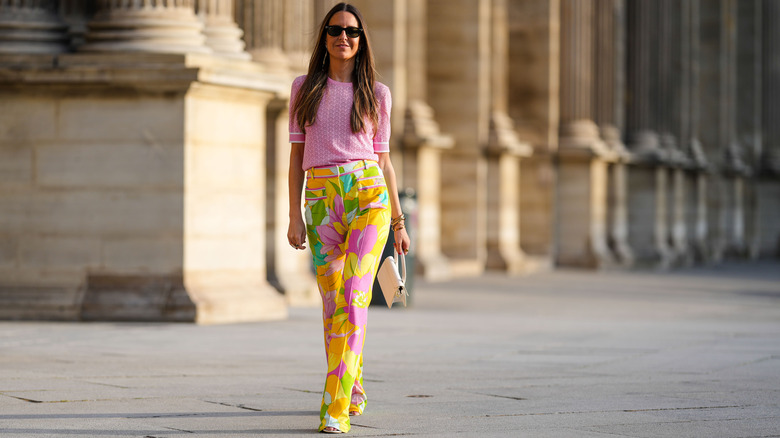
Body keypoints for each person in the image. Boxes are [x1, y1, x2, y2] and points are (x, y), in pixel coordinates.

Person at [287, 2, 411, 434]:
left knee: (356, 296)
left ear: (362, 41)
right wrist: (293, 215)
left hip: (368, 195)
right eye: (336, 30)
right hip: (320, 198)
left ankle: (335, 408)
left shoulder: (377, 93)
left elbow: (385, 161)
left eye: (353, 32)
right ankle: (352, 383)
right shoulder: (303, 88)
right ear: (324, 37)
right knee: (332, 304)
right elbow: (296, 155)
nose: (345, 37)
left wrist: (398, 222)